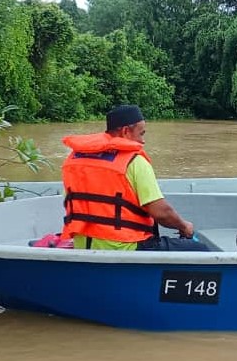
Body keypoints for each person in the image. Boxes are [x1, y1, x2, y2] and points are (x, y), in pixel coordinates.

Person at [60, 105, 206, 251]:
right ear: (125, 131)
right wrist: (183, 226)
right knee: (200, 249)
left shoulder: (73, 161)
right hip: (124, 246)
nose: (143, 141)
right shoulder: (134, 162)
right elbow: (161, 213)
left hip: (82, 245)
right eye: (141, 134)